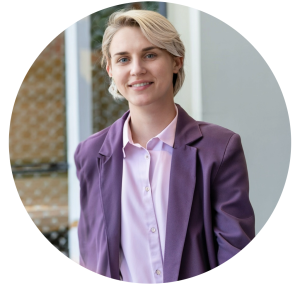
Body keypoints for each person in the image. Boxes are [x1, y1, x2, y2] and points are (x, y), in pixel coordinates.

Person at [74, 9, 255, 283]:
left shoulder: (219, 148)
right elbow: (92, 255)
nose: (136, 69)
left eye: (150, 54)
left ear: (176, 61)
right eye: (123, 59)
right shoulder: (90, 154)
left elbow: (235, 254)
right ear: (111, 69)